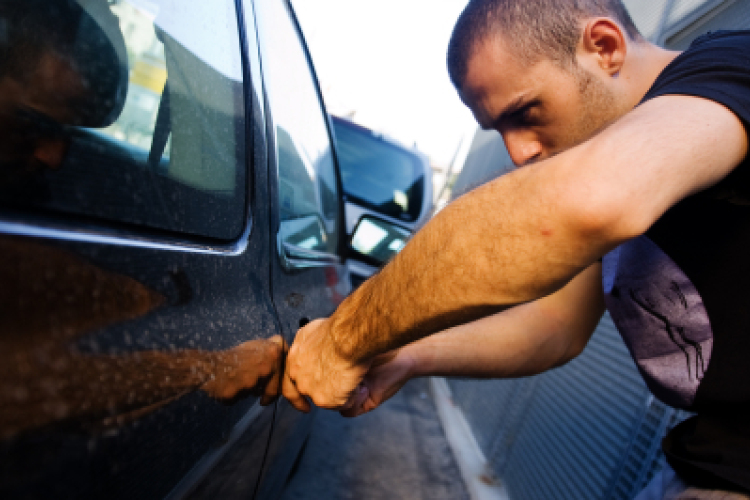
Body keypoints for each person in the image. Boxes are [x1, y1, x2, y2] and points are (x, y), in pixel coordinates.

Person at [282, 0, 750, 497]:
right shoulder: (615, 157)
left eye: (526, 113)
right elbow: (554, 328)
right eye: (499, 130)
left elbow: (590, 200)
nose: (518, 152)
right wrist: (407, 354)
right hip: (705, 461)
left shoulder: (732, 67)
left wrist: (344, 337)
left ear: (605, 47)